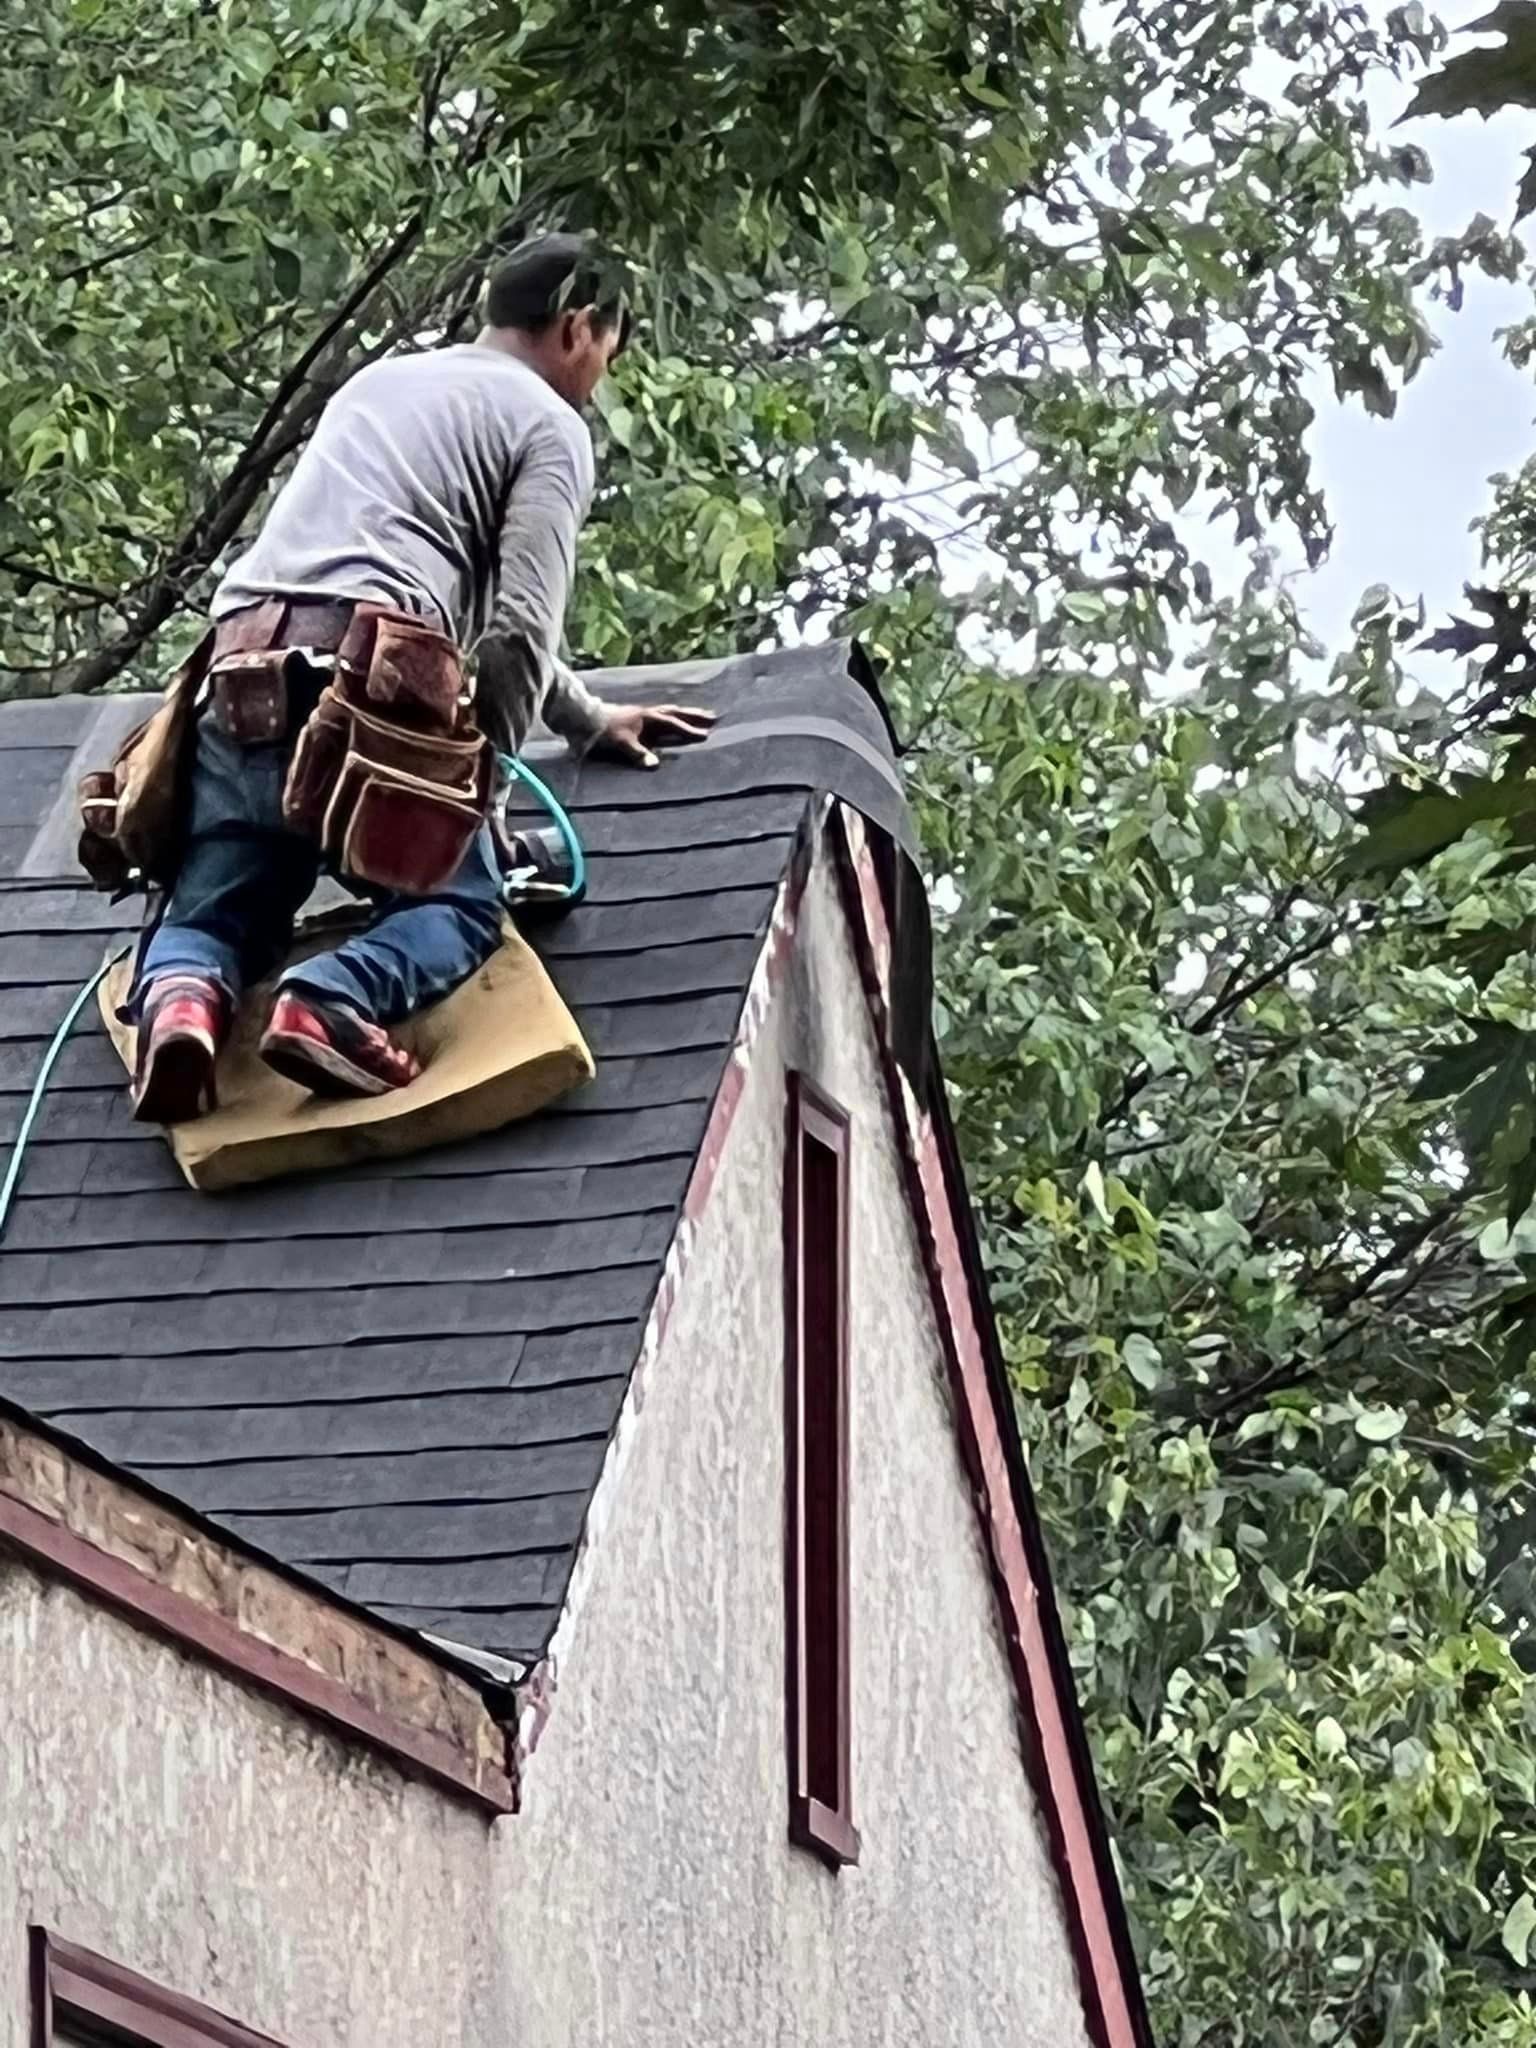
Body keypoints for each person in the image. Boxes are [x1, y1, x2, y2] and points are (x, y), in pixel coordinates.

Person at [129, 232, 712, 1123]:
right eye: (608, 347)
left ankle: (180, 1005)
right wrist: (488, 799)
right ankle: (330, 1000)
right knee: (459, 899)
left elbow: (467, 615)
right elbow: (517, 632)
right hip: (366, 688)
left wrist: (587, 715)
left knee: (223, 896)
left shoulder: (384, 380)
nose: (600, 369)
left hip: (238, 673)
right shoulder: (548, 425)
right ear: (577, 327)